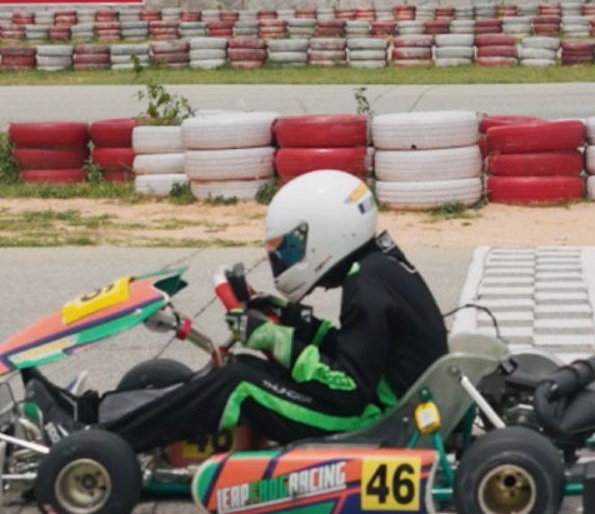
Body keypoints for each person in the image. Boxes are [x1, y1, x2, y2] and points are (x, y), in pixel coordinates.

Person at [30, 171, 449, 450]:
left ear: (326, 234)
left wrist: (273, 338)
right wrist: (287, 317)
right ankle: (90, 410)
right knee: (240, 369)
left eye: (290, 247)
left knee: (239, 380)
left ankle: (95, 438)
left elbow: (347, 387)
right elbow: (362, 349)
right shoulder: (376, 267)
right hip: (382, 401)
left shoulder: (366, 285)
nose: (285, 259)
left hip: (371, 421)